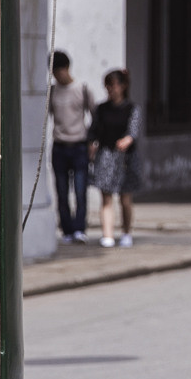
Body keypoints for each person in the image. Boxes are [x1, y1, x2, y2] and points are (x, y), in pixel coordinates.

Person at [88, 69, 144, 243]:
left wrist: (127, 140)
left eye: (114, 85)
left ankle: (126, 232)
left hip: (126, 158)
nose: (111, 89)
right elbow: (94, 131)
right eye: (108, 85)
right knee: (106, 197)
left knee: (125, 198)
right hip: (106, 156)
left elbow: (133, 131)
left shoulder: (131, 108)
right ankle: (108, 235)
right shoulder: (101, 108)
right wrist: (91, 146)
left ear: (123, 86)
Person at [47, 51, 95, 243]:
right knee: (61, 190)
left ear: (66, 68)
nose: (57, 76)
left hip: (79, 146)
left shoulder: (81, 89)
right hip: (59, 146)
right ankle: (66, 230)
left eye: (58, 71)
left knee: (81, 190)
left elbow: (95, 115)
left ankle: (79, 229)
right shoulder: (52, 91)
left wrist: (92, 142)